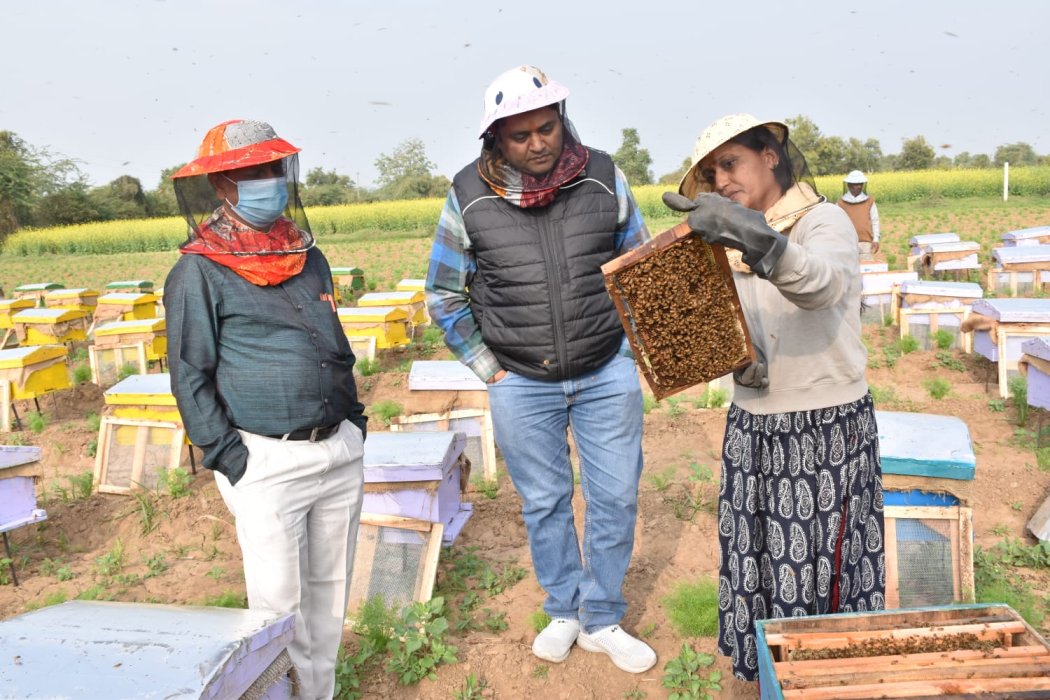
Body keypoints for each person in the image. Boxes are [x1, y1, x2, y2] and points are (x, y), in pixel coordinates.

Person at [426, 65, 656, 673]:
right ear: (496, 139)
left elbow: (641, 268)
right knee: (546, 501)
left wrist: (631, 354)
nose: (538, 143)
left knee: (614, 497)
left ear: (562, 121)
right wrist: (491, 369)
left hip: (606, 369)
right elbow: (444, 294)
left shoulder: (604, 177)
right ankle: (564, 608)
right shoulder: (467, 195)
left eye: (547, 128)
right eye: (521, 134)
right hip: (521, 379)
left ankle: (602, 616)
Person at [664, 114, 885, 683]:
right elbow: (728, 323)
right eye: (712, 174)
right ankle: (768, 676)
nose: (722, 180)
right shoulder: (731, 243)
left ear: (770, 156)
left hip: (824, 426)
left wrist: (753, 234)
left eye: (730, 163)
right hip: (753, 427)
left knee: (820, 568)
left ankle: (826, 680)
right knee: (759, 561)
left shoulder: (824, 220)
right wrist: (734, 356)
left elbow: (822, 285)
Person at [164, 119, 367, 700]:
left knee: (328, 601)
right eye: (252, 172)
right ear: (222, 185)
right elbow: (189, 373)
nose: (268, 182)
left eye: (274, 169)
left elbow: (331, 339)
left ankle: (318, 695)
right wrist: (231, 456)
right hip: (265, 461)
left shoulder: (307, 255)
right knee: (278, 611)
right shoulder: (198, 270)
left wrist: (354, 425)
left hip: (337, 451)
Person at [838, 170, 880, 260]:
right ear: (849, 185)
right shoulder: (840, 203)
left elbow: (875, 220)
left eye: (860, 184)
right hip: (847, 244)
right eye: (856, 184)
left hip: (866, 244)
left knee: (867, 271)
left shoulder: (870, 201)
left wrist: (876, 239)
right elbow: (835, 223)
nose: (859, 186)